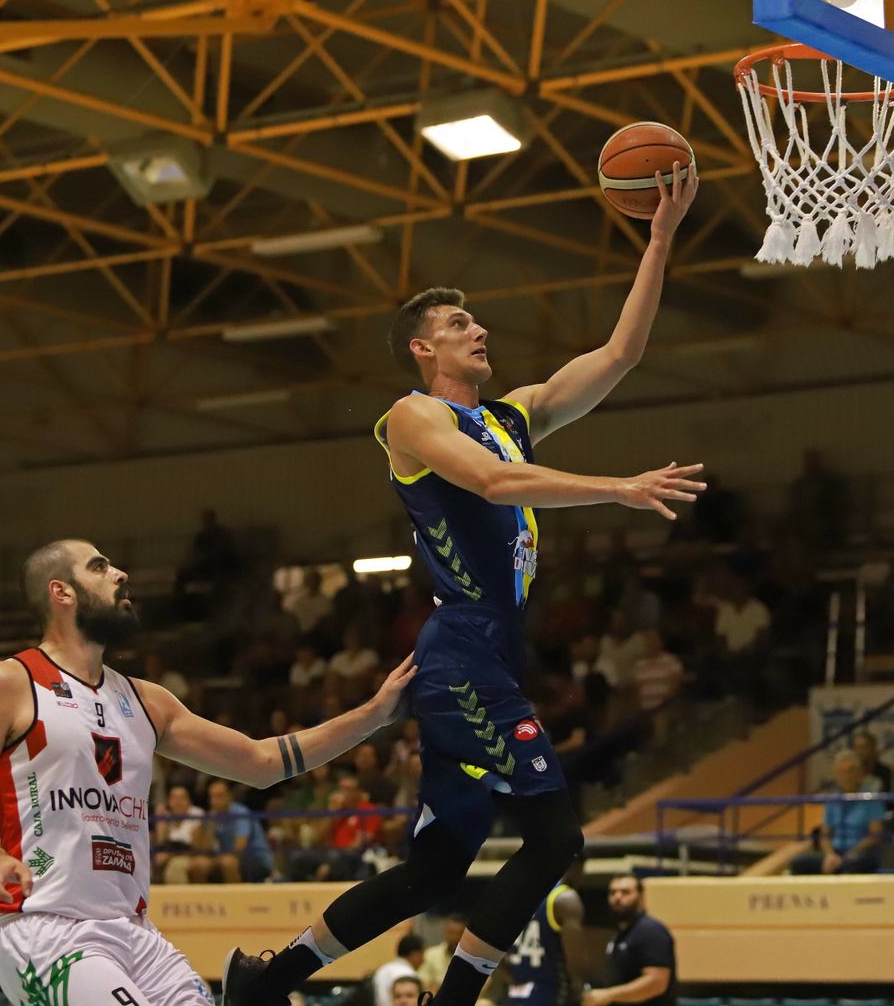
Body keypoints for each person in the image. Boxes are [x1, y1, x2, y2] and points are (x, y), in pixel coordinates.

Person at [225, 163, 700, 1006]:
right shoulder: (414, 417)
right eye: (457, 323)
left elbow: (621, 353)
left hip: (490, 652)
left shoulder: (512, 415)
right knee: (554, 840)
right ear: (424, 350)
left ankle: (266, 983)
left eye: (474, 319)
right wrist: (619, 487)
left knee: (437, 868)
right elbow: (491, 482)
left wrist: (659, 240)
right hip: (464, 653)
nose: (478, 328)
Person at [0, 539, 414, 1006]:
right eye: (99, 567)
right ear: (61, 592)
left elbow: (262, 764)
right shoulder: (10, 682)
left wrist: (374, 715)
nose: (120, 574)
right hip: (47, 928)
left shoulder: (147, 701)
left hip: (135, 935)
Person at [584, 876, 675, 1006]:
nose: (617, 897)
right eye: (613, 892)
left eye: (625, 892)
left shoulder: (650, 931)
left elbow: (657, 982)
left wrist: (608, 995)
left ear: (640, 897)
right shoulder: (621, 933)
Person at [790, 750, 885, 875]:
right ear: (835, 774)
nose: (846, 776)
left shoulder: (870, 799)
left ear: (859, 773)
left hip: (859, 852)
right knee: (798, 862)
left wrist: (849, 854)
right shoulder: (832, 800)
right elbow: (825, 834)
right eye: (841, 772)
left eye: (850, 771)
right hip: (835, 853)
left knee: (855, 862)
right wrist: (830, 855)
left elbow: (875, 835)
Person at [504, 865, 586, 1006]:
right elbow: (575, 959)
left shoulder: (511, 897)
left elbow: (491, 951)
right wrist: (579, 991)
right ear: (578, 866)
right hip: (550, 994)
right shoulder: (565, 897)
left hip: (516, 994)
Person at [207, 779, 275, 884]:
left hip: (256, 859)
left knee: (228, 863)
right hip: (227, 857)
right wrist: (210, 825)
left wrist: (218, 859)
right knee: (200, 865)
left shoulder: (241, 813)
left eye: (219, 796)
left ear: (229, 796)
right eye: (212, 797)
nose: (215, 801)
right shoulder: (212, 816)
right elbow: (203, 848)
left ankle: (234, 895)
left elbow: (240, 847)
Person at [372, 934, 426, 1006]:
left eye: (409, 996)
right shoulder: (409, 975)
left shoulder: (382, 969)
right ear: (415, 954)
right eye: (422, 954)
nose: (423, 960)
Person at [420, 913, 468, 993]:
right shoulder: (430, 954)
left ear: (465, 934)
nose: (454, 937)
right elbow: (423, 982)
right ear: (445, 931)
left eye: (459, 933)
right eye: (451, 932)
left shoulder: (472, 957)